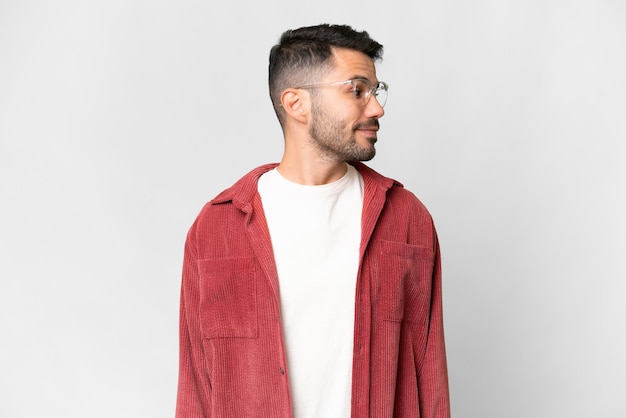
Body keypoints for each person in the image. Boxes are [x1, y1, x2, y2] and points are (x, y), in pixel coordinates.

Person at [175, 23, 450, 418]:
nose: (376, 107)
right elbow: (196, 390)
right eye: (357, 90)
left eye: (376, 90)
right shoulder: (217, 228)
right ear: (296, 103)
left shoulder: (406, 220)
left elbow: (431, 381)